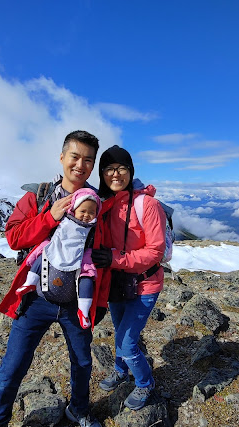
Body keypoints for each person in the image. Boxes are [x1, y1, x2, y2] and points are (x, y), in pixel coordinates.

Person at [0, 131, 111, 427]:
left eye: (88, 160)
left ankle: (78, 408)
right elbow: (14, 238)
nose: (81, 164)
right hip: (36, 299)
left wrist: (100, 297)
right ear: (62, 158)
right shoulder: (38, 197)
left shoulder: (98, 205)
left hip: (76, 302)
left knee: (82, 362)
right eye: (75, 157)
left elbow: (100, 252)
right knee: (13, 365)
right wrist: (49, 217)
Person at [91, 145, 166, 411]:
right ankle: (120, 370)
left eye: (122, 168)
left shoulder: (148, 204)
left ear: (131, 171)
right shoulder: (104, 204)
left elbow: (155, 251)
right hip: (117, 284)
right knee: (119, 330)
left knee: (127, 341)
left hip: (145, 283)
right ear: (102, 173)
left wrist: (115, 259)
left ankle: (145, 383)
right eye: (109, 169)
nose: (116, 174)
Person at [17, 188, 102, 328]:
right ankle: (30, 282)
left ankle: (83, 311)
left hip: (81, 256)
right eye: (82, 211)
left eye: (91, 212)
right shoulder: (64, 219)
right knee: (44, 254)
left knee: (87, 278)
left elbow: (92, 246)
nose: (87, 215)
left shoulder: (94, 229)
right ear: (74, 209)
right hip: (57, 249)